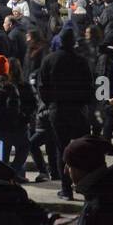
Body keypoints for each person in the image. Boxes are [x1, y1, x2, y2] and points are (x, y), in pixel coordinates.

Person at [37, 27, 94, 200]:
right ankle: (85, 186)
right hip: (77, 110)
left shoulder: (49, 60)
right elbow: (89, 86)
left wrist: (50, 103)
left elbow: (42, 86)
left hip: (58, 109)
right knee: (82, 149)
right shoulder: (81, 61)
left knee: (62, 149)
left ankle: (66, 189)